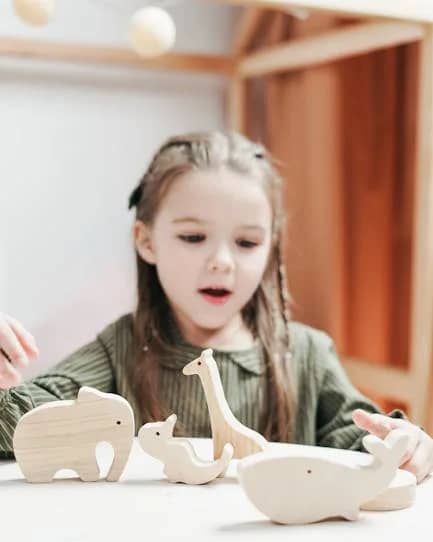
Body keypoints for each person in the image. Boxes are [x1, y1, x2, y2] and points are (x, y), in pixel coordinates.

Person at [1, 131, 432, 482]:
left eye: (247, 242)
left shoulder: (307, 355)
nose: (222, 261)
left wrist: (407, 447)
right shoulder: (123, 347)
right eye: (193, 238)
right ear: (147, 241)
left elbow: (369, 449)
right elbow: (22, 427)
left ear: (271, 247)